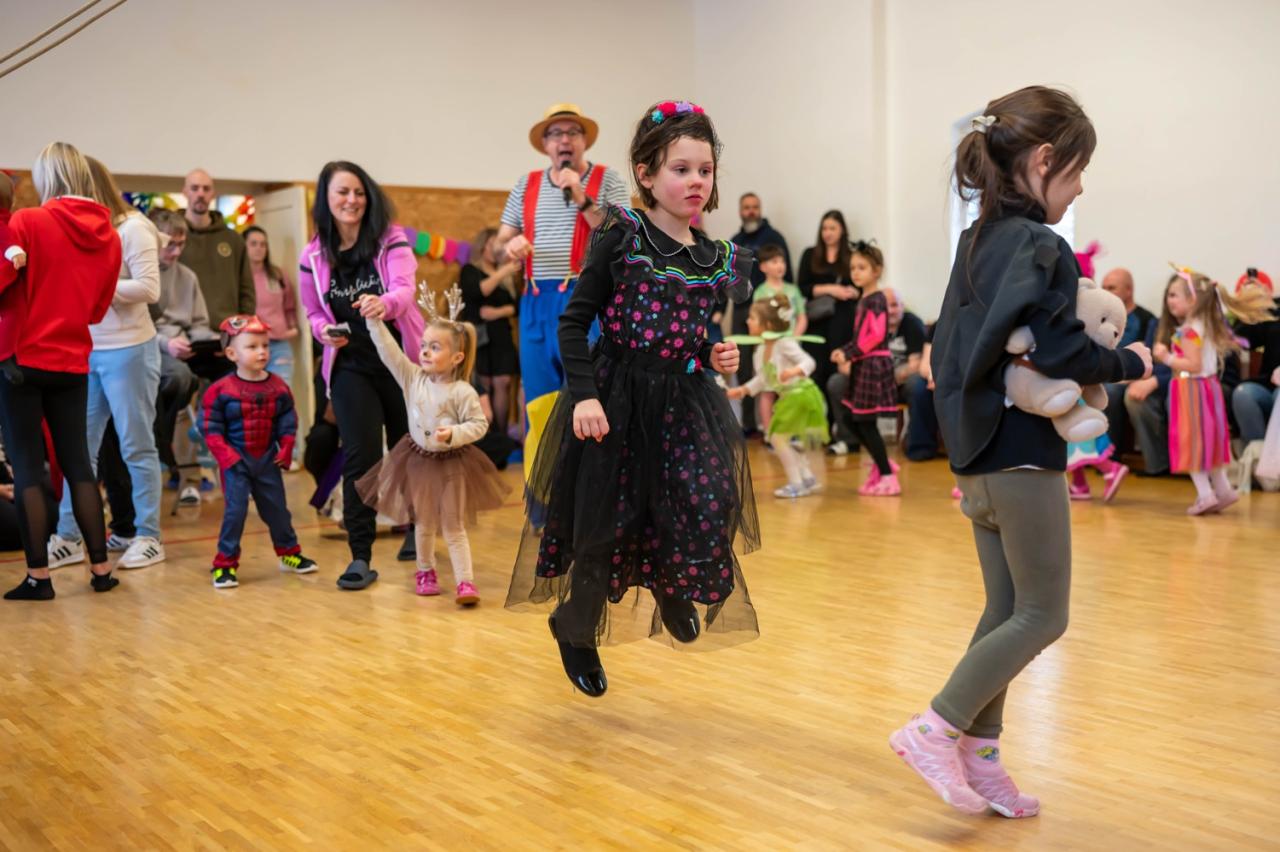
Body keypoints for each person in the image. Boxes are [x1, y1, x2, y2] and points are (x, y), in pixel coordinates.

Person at [893, 87, 1152, 818]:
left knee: (1007, 608)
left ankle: (979, 756)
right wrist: (1129, 361)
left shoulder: (975, 242)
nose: (1080, 187)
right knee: (1044, 614)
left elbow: (952, 347)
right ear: (1043, 160)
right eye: (1076, 170)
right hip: (1022, 458)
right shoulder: (1041, 245)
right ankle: (934, 729)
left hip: (977, 458)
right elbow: (1065, 351)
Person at [506, 100, 758, 697]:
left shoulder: (712, 257)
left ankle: (672, 587)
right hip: (615, 399)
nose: (696, 181)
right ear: (646, 174)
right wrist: (585, 397)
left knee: (701, 497)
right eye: (681, 169)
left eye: (705, 170)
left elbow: (688, 337)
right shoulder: (623, 237)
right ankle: (574, 627)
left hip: (682, 402)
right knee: (605, 525)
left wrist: (711, 354)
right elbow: (574, 323)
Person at [0, 141, 125, 599]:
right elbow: (96, 310)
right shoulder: (110, 236)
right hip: (72, 360)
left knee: (28, 470)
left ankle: (40, 577)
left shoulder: (27, 221)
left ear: (46, 177)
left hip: (21, 358)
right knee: (79, 467)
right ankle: (101, 570)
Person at [299, 160, 423, 591]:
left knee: (410, 447)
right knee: (360, 456)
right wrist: (323, 331)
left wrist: (384, 304)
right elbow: (313, 312)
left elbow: (404, 290)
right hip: (350, 365)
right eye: (342, 192)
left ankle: (418, 530)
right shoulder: (313, 255)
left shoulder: (391, 239)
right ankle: (360, 555)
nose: (351, 200)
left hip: (399, 361)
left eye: (358, 192)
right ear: (326, 198)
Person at [46, 156, 167, 572]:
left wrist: (93, 285)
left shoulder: (133, 227)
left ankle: (149, 535)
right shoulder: (78, 230)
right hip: (88, 350)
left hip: (130, 349)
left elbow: (149, 288)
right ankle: (68, 537)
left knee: (136, 444)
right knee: (79, 449)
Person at [354, 287, 509, 604]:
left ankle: (465, 581)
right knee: (423, 524)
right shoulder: (412, 378)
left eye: (434, 347)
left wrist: (453, 433)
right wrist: (373, 321)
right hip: (419, 462)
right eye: (424, 345)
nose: (424, 351)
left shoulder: (463, 392)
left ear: (456, 358)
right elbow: (388, 351)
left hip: (452, 464)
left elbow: (479, 424)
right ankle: (425, 571)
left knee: (453, 526)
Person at [496, 104, 631, 407]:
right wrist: (508, 246)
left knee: (587, 396)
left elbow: (624, 235)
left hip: (587, 297)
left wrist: (581, 197)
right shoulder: (525, 184)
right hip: (535, 301)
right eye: (556, 134)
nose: (565, 140)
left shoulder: (608, 179)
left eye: (573, 132)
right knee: (539, 400)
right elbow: (498, 244)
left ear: (584, 141)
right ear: (546, 145)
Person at [200, 315, 318, 588]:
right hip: (236, 462)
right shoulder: (219, 391)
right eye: (252, 347)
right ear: (232, 354)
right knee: (235, 512)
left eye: (265, 345)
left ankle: (289, 553)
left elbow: (288, 420)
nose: (262, 352)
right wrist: (226, 456)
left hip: (266, 460)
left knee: (278, 510)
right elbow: (210, 427)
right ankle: (224, 564)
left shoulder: (278, 387)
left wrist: (286, 447)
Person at [1155, 266, 1272, 514]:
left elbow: (1194, 365)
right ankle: (1224, 490)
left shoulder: (1189, 331)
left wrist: (1166, 357)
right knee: (1209, 443)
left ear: (1193, 300)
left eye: (1174, 295)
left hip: (1191, 391)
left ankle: (1205, 495)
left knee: (1192, 443)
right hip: (1208, 389)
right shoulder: (1206, 325)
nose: (1169, 300)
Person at [727, 294, 827, 497]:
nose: (748, 321)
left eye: (753, 318)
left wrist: (794, 371)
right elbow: (763, 379)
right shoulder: (761, 350)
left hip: (801, 396)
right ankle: (807, 478)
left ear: (768, 325)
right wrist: (743, 390)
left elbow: (809, 362)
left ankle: (797, 483)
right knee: (784, 440)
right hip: (789, 398)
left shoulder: (784, 343)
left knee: (777, 438)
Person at [831, 242, 901, 496]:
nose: (856, 272)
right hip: (863, 364)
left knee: (865, 420)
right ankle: (883, 463)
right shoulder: (864, 300)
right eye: (853, 268)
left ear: (876, 271)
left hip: (873, 366)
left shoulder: (877, 299)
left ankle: (887, 476)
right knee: (852, 417)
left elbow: (876, 335)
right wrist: (845, 350)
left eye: (862, 267)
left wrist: (849, 353)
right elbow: (862, 335)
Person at [730, 192, 792, 433]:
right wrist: (719, 310)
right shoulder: (735, 241)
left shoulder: (774, 237)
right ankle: (748, 424)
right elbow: (725, 278)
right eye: (747, 207)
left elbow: (787, 274)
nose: (751, 211)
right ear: (740, 211)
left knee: (775, 363)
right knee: (744, 366)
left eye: (755, 207)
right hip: (742, 311)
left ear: (760, 209)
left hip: (769, 310)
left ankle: (778, 425)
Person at [798, 210, 857, 433]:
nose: (828, 233)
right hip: (817, 321)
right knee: (816, 372)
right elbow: (803, 287)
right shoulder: (810, 254)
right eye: (824, 228)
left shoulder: (851, 256)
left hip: (843, 321)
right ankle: (822, 428)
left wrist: (852, 292)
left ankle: (842, 430)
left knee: (837, 370)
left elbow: (860, 287)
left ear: (842, 230)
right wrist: (832, 289)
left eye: (832, 228)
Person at [459, 227, 521, 435]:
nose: (497, 249)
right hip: (479, 335)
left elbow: (516, 306)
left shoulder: (507, 277)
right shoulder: (470, 270)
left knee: (503, 382)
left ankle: (501, 436)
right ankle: (485, 437)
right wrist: (504, 271)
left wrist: (498, 312)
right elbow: (478, 291)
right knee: (484, 384)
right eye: (494, 244)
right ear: (483, 246)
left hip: (501, 334)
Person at [180, 169, 254, 327]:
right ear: (185, 192)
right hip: (182, 332)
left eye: (206, 189)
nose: (201, 194)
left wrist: (242, 328)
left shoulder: (233, 239)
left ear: (213, 194)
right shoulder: (172, 238)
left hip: (226, 329)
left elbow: (246, 290)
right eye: (194, 188)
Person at [747, 244, 806, 432]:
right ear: (763, 267)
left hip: (789, 348)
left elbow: (801, 317)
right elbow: (757, 320)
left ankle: (791, 431)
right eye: (774, 261)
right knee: (768, 389)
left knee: (790, 389)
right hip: (769, 349)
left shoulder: (793, 290)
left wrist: (795, 338)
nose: (780, 265)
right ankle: (769, 432)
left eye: (782, 261)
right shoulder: (760, 292)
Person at [1098, 267, 1157, 450]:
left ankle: (1111, 454)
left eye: (1111, 287)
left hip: (1127, 378)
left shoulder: (1146, 319)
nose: (1105, 292)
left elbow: (1147, 361)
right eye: (1103, 287)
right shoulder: (1099, 318)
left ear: (1129, 290)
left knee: (1110, 391)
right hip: (1101, 372)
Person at [243, 225, 299, 384]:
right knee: (252, 391)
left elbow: (289, 305)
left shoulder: (277, 275)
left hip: (279, 344)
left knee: (281, 390)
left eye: (263, 244)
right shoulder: (238, 278)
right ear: (244, 246)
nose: (259, 248)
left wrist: (292, 327)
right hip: (249, 344)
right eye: (253, 244)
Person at [1231, 269, 1280, 442]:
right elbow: (1241, 340)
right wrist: (1250, 304)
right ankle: (1255, 454)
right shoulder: (1275, 308)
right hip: (1269, 385)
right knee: (1244, 394)